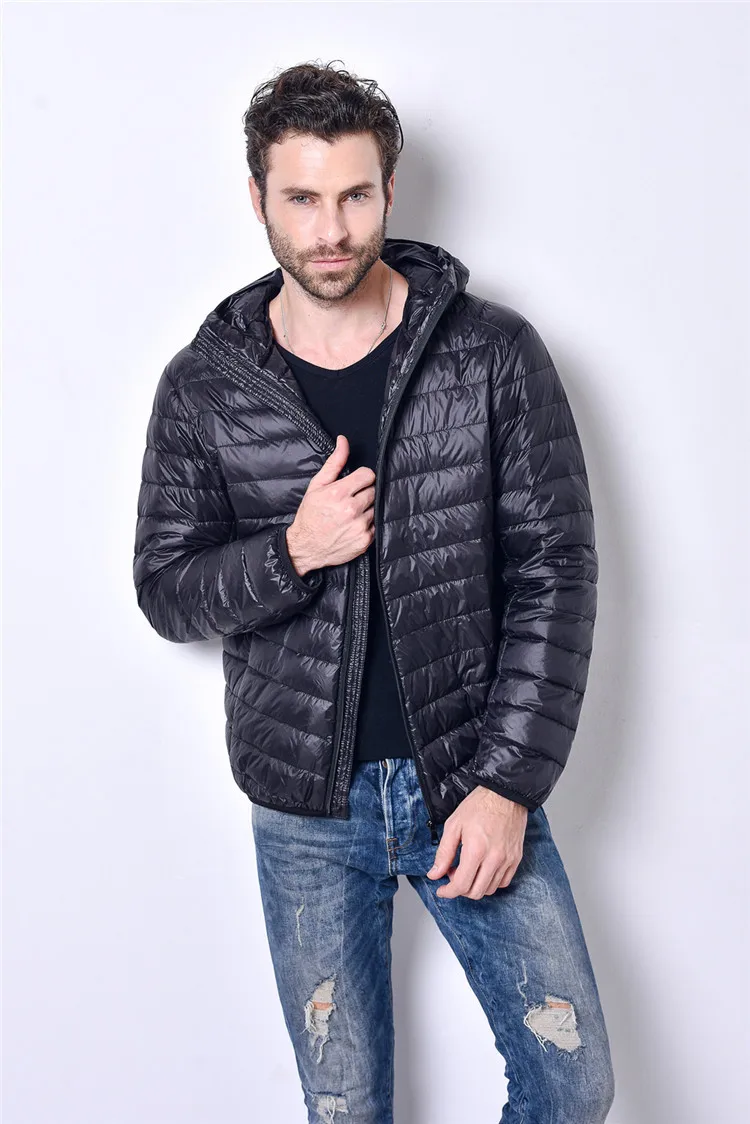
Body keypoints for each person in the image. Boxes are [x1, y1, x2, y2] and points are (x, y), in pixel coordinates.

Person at [133, 60, 615, 1124]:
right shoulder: (206, 387)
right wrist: (292, 550)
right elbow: (166, 590)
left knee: (573, 1081)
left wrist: (508, 783)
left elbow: (557, 572)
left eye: (354, 195)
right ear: (257, 198)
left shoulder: (490, 355)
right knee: (345, 1107)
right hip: (305, 806)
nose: (331, 230)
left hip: (466, 781)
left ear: (390, 190)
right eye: (302, 198)